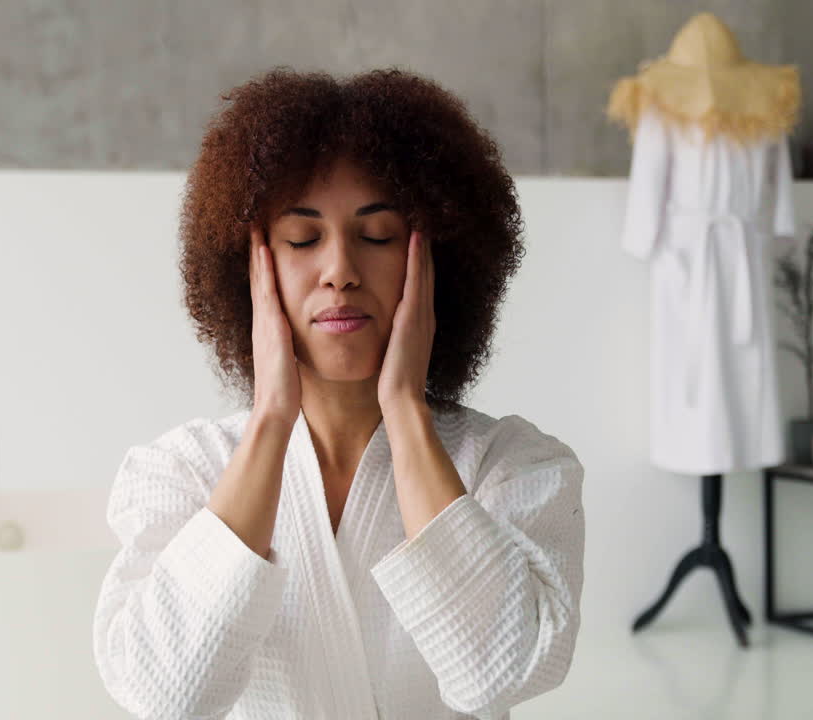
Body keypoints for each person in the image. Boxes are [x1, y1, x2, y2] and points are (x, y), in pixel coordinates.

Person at [93, 66, 585, 720]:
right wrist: (271, 418)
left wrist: (406, 412)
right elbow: (163, 695)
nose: (340, 272)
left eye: (377, 236)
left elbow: (501, 671)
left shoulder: (514, 466)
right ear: (249, 266)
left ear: (437, 257)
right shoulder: (182, 473)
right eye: (302, 239)